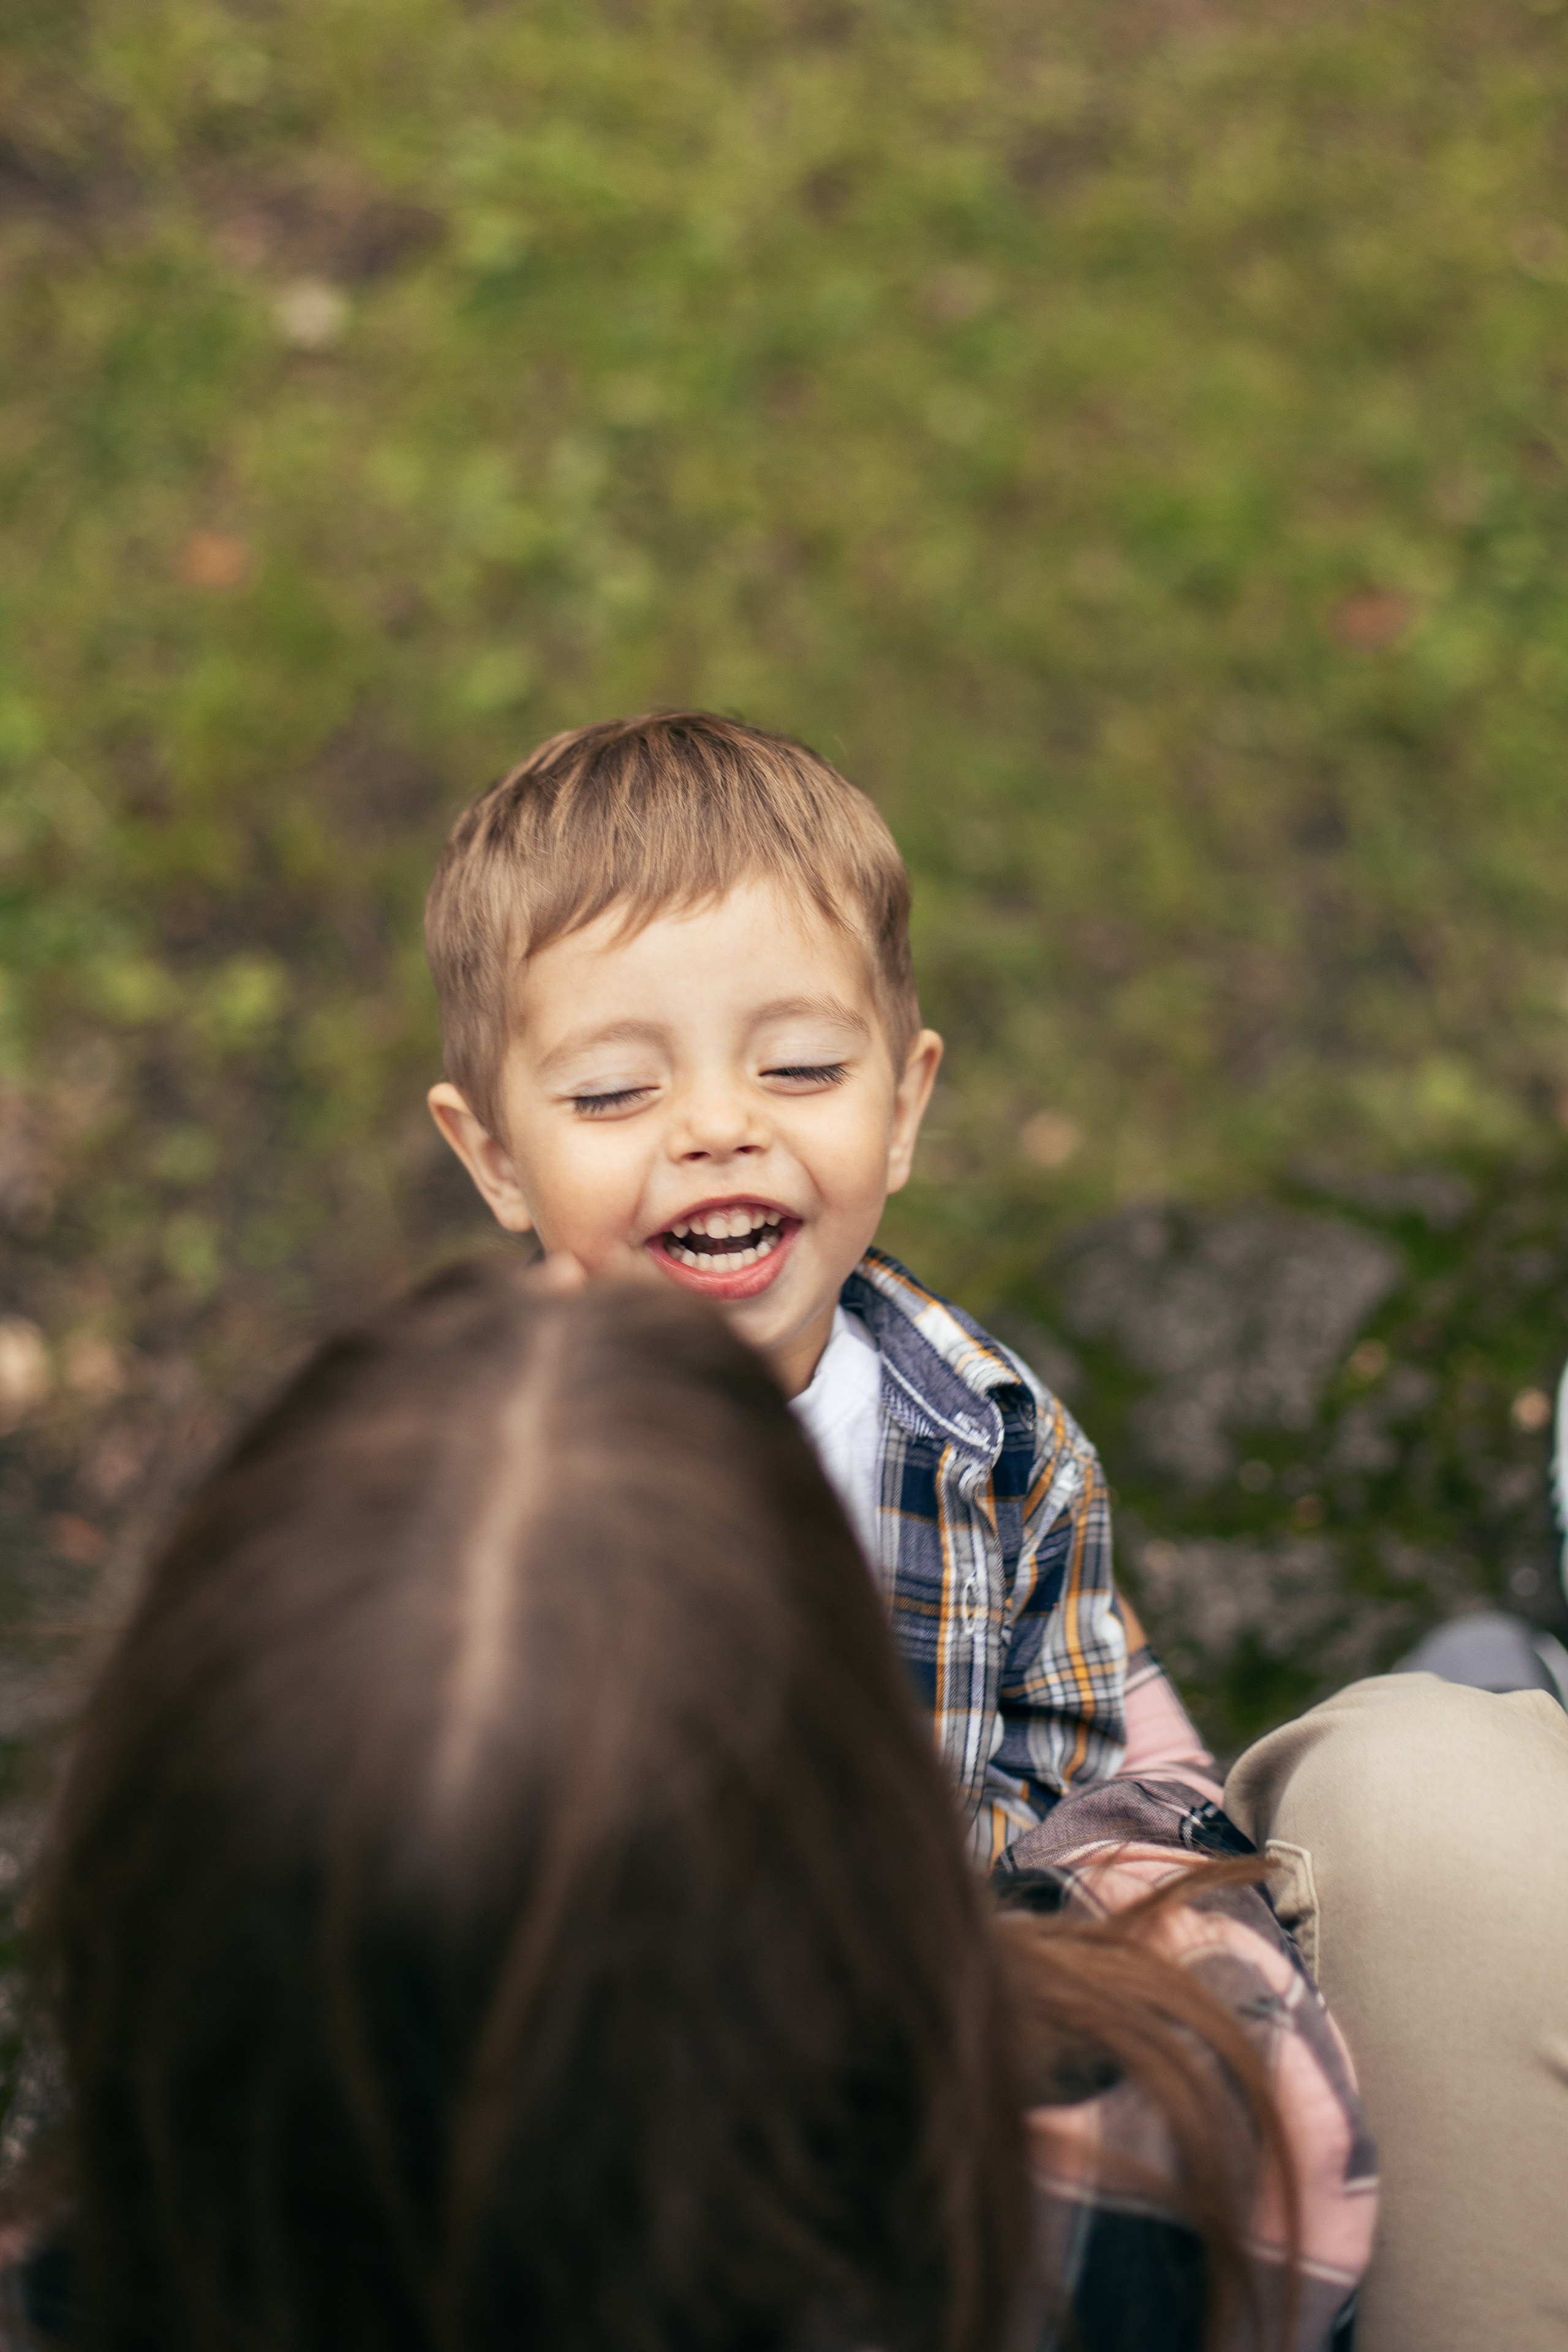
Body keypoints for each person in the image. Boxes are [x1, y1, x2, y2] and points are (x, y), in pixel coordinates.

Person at [6, 1259, 1375, 2352]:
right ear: (864, 1791)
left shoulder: (70, 2280)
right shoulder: (1156, 2142)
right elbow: (1162, 1850)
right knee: (1422, 1740)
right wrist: (1092, 1649)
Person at [421, 710, 1186, 1860]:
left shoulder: (1005, 1449)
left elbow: (1052, 1734)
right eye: (615, 1091)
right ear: (494, 1158)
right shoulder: (452, 1473)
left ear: (901, 1111)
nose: (721, 1127)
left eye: (801, 1069)